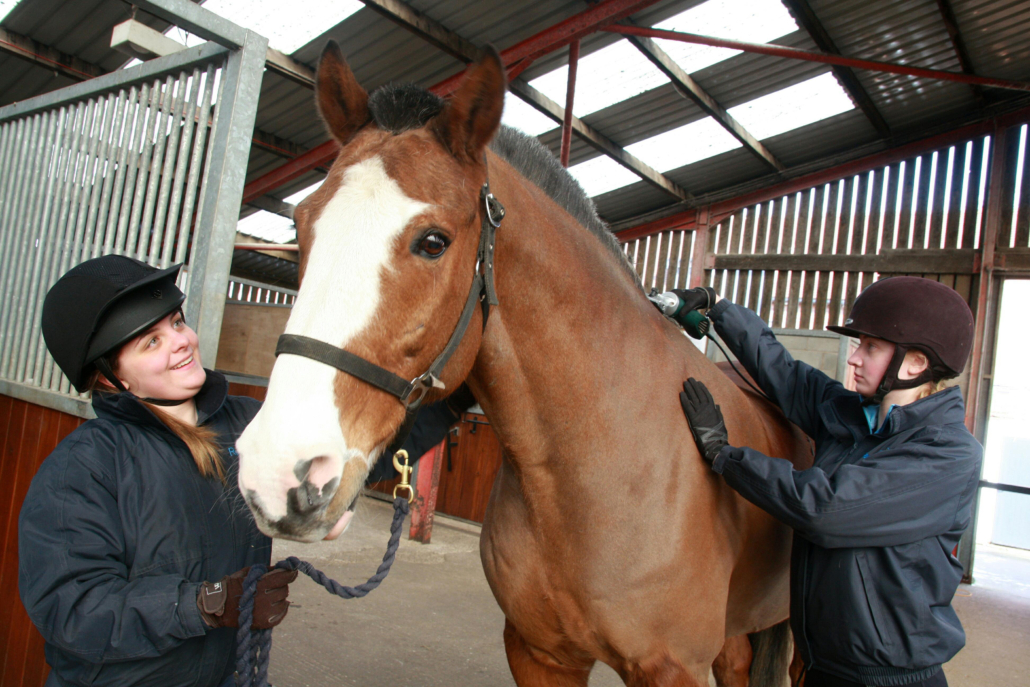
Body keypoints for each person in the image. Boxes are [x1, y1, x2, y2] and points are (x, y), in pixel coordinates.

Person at [19, 255, 462, 687]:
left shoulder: (249, 423)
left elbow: (350, 458)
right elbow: (71, 610)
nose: (181, 341)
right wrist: (205, 605)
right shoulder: (83, 468)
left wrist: (453, 404)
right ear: (112, 380)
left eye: (176, 322)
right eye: (151, 342)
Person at [674, 277, 982, 687]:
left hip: (887, 677)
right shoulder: (854, 417)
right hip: (823, 667)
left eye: (870, 347)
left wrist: (725, 455)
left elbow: (827, 509)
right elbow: (785, 374)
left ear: (915, 363)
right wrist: (721, 309)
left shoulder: (946, 453)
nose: (854, 358)